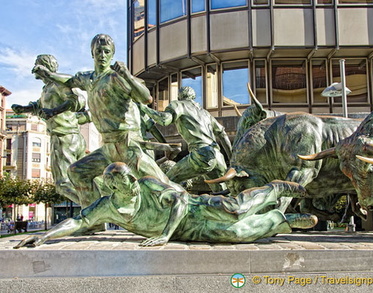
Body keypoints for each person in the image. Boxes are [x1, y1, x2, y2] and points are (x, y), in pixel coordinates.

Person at [14, 162, 317, 248]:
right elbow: (79, 222)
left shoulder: (147, 184)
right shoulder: (107, 206)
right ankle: (281, 221)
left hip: (195, 208)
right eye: (121, 181)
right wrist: (44, 235)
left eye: (129, 179)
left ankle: (273, 190)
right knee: (237, 234)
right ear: (112, 185)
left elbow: (182, 199)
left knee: (235, 210)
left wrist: (165, 236)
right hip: (189, 231)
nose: (129, 184)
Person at [31, 34, 180, 208]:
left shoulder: (116, 78)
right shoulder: (88, 79)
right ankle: (95, 217)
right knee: (77, 171)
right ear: (92, 54)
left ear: (112, 55)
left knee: (160, 185)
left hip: (127, 143)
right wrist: (49, 74)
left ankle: (190, 208)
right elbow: (70, 80)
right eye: (98, 51)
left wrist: (126, 74)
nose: (102, 55)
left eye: (106, 52)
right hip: (108, 146)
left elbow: (146, 97)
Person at [12, 54, 86, 204]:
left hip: (64, 137)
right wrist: (24, 108)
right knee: (81, 181)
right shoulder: (48, 88)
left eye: (37, 66)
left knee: (62, 183)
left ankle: (94, 209)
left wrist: (54, 111)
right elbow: (39, 106)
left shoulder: (58, 84)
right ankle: (96, 211)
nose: (35, 70)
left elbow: (78, 101)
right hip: (68, 137)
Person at [140, 86, 232, 192]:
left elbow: (164, 120)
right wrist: (231, 160)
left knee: (166, 182)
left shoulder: (179, 105)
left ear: (179, 96)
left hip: (201, 155)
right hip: (217, 157)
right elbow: (223, 135)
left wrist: (144, 108)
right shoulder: (204, 113)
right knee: (223, 196)